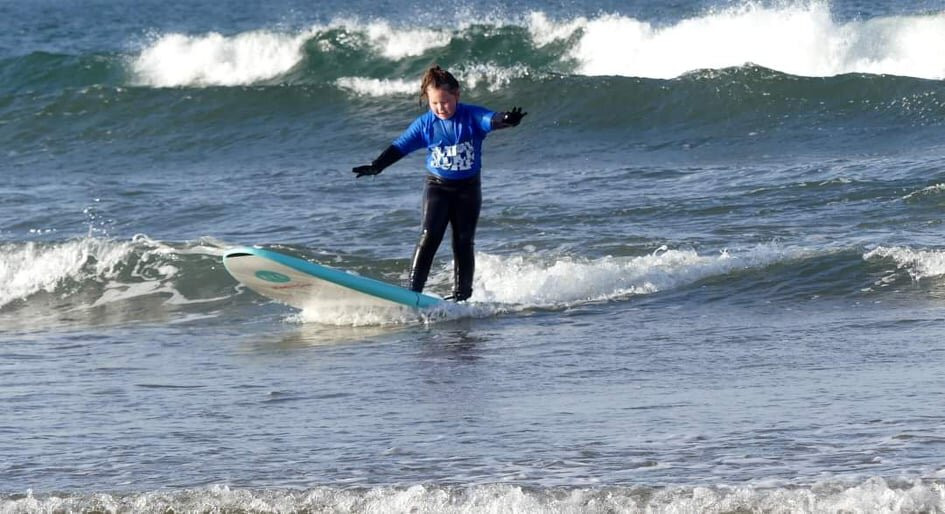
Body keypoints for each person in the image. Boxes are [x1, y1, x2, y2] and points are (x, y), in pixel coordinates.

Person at [352, 65, 526, 301]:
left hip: (468, 189)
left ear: (457, 95)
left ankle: (461, 297)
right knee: (429, 235)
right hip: (438, 186)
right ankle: (412, 294)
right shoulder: (426, 124)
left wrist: (507, 119)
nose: (440, 108)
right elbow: (400, 146)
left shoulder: (470, 117)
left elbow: (491, 119)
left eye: (445, 102)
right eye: (434, 103)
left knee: (464, 242)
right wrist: (377, 166)